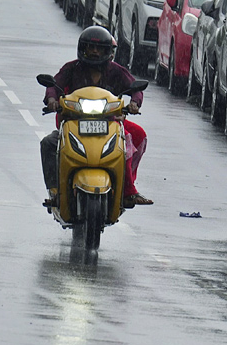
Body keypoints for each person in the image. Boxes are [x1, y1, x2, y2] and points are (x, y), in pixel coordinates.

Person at [40, 26, 152, 209]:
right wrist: (52, 99)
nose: (94, 52)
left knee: (131, 139)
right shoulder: (71, 68)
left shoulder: (117, 71)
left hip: (110, 122)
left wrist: (134, 103)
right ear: (81, 49)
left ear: (108, 52)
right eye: (90, 47)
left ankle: (127, 189)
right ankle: (55, 191)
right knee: (48, 143)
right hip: (73, 122)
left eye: (99, 48)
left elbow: (135, 88)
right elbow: (54, 84)